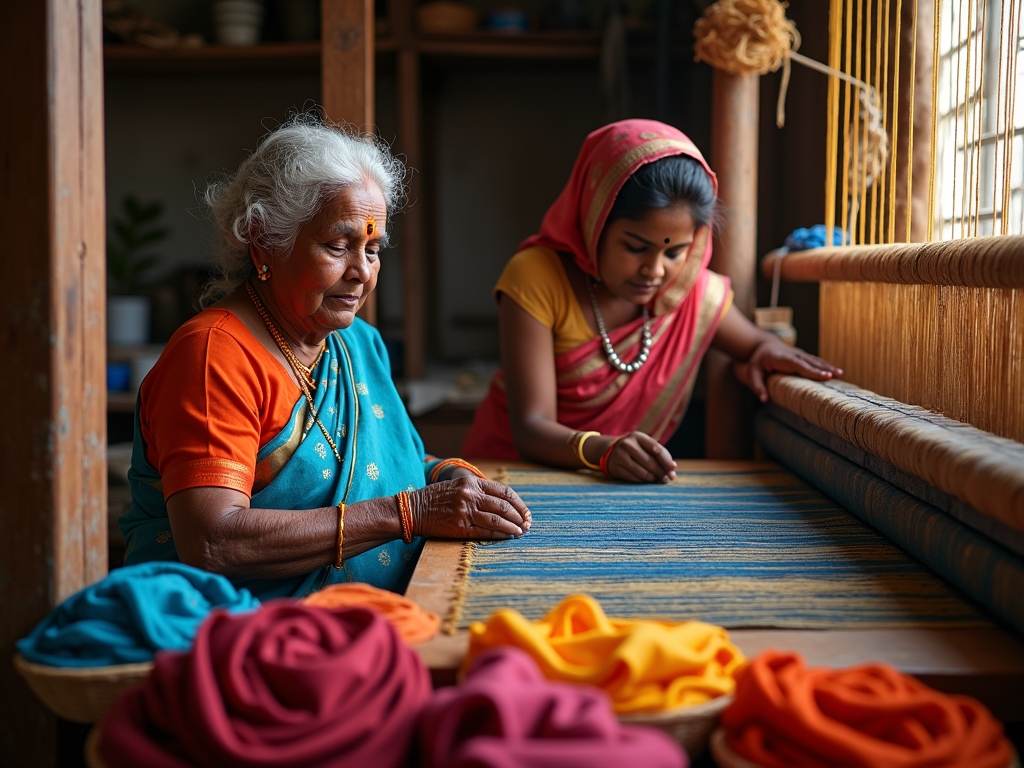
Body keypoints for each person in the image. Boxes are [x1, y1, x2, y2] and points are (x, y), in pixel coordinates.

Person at [120, 114, 530, 600]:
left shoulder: (357, 343)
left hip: (382, 612)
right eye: (338, 246)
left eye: (373, 250)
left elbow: (394, 467)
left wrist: (444, 477)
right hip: (246, 636)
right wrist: (411, 513)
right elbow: (213, 540)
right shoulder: (213, 356)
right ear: (265, 243)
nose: (362, 273)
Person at [462, 119, 840, 482]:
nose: (655, 271)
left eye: (675, 252)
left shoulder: (691, 293)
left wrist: (766, 353)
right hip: (505, 476)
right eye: (635, 247)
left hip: (612, 486)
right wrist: (604, 451)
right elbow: (531, 426)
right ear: (593, 220)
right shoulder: (535, 277)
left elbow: (756, 343)